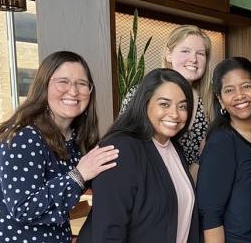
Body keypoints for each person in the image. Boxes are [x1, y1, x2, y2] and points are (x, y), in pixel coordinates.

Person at [0, 51, 119, 243]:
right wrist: (79, 175)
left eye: (81, 84)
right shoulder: (23, 135)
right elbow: (23, 208)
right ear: (44, 86)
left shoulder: (77, 138)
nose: (73, 91)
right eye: (63, 82)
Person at [78, 68, 200, 243]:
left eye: (182, 106)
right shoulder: (122, 148)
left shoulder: (173, 147)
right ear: (145, 103)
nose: (175, 114)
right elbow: (109, 230)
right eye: (164, 104)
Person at [121, 25, 214, 177]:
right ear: (168, 55)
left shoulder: (210, 101)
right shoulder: (141, 93)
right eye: (185, 51)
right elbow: (124, 148)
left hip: (195, 191)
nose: (194, 59)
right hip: (150, 188)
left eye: (200, 54)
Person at [197, 57, 251, 242]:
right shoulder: (221, 143)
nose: (239, 95)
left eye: (246, 86)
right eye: (229, 90)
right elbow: (210, 215)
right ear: (220, 99)